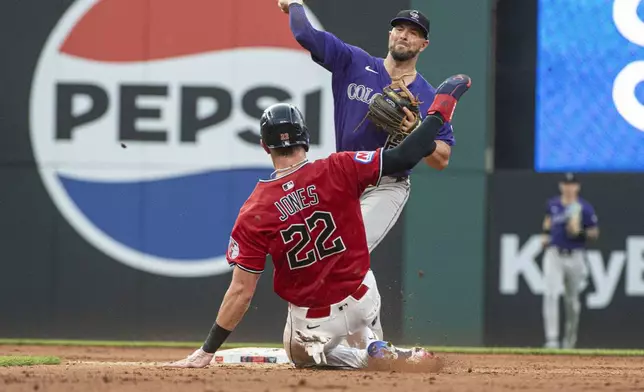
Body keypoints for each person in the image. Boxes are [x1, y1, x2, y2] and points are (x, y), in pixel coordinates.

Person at [162, 74, 471, 369]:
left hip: (314, 323)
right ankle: (374, 345)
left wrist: (208, 350)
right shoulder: (339, 167)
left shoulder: (254, 211)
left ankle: (366, 356)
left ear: (264, 146)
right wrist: (439, 111)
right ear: (305, 139)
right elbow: (404, 157)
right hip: (363, 297)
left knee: (297, 355)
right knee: (359, 283)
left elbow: (241, 292)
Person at [279, 0, 455, 254]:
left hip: (385, 184)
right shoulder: (353, 62)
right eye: (400, 29)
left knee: (348, 248)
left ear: (423, 45)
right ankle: (365, 296)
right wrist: (295, 5)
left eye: (414, 33)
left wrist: (419, 133)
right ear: (390, 34)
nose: (404, 36)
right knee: (326, 256)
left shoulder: (427, 96)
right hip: (343, 178)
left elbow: (442, 159)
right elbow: (306, 34)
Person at [541, 173, 599, 349]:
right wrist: (544, 235)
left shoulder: (585, 208)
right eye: (566, 184)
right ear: (561, 186)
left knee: (572, 302)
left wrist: (579, 231)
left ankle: (569, 341)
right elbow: (547, 222)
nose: (569, 187)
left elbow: (594, 233)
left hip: (575, 256)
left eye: (572, 184)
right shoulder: (553, 204)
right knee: (550, 294)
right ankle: (552, 340)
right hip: (555, 254)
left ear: (577, 187)